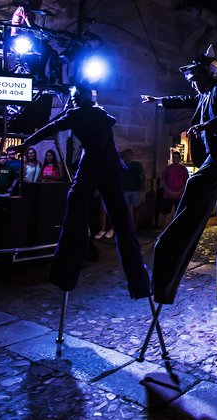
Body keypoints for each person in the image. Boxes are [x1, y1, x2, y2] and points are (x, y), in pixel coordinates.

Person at [11, 84, 150, 300]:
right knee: (123, 224)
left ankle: (66, 272)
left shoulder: (76, 113)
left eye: (75, 96)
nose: (72, 99)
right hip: (111, 167)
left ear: (83, 97)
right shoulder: (100, 113)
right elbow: (110, 121)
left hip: (94, 165)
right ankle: (140, 283)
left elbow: (51, 127)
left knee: (75, 210)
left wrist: (27, 143)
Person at [141, 45, 217, 305]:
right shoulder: (203, 95)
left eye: (195, 80)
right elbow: (183, 99)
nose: (192, 85)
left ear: (207, 74)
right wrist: (158, 100)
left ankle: (168, 252)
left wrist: (207, 123)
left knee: (195, 193)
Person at [159, 151, 189, 229]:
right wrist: (168, 191)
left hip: (179, 195)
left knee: (179, 213)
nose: (174, 159)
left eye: (176, 158)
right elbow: (163, 181)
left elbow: (186, 182)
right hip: (168, 195)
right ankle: (164, 229)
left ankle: (178, 229)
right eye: (173, 158)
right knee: (165, 213)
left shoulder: (183, 169)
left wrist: (179, 191)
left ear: (179, 159)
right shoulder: (168, 168)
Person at [120, 149, 145, 227]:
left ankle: (135, 226)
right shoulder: (121, 165)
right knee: (125, 209)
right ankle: (126, 225)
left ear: (132, 155)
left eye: (129, 155)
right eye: (126, 155)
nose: (128, 156)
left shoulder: (137, 164)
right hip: (125, 190)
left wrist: (143, 184)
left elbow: (143, 175)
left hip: (136, 190)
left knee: (136, 209)